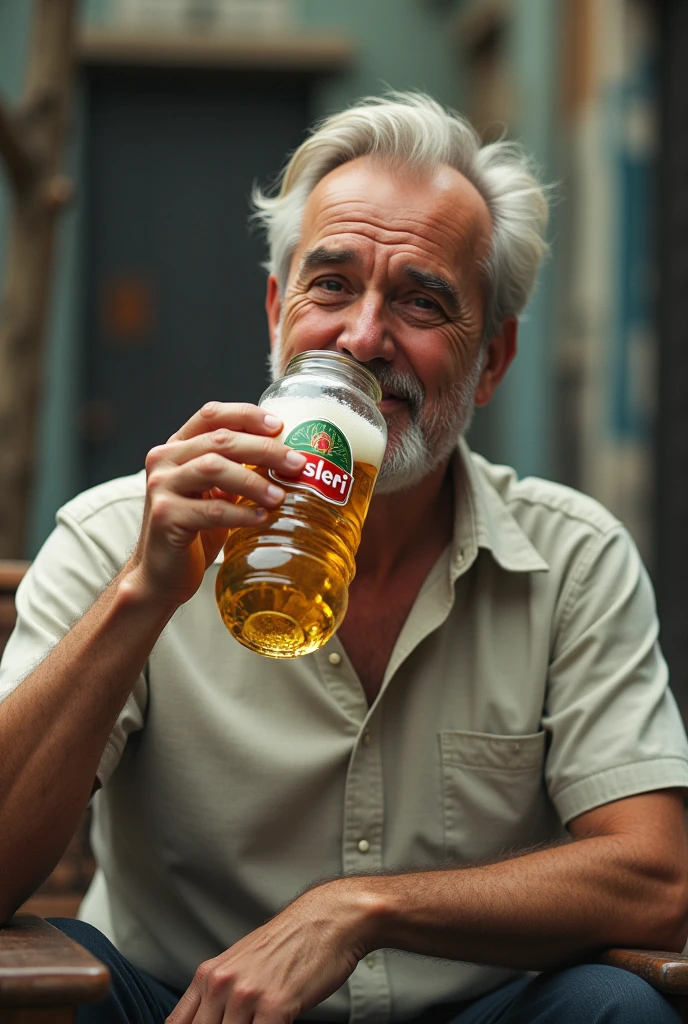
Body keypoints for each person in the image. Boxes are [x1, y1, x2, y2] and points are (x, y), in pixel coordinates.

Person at [1, 92, 688, 1024]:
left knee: (616, 1008)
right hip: (180, 1009)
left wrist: (359, 912)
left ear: (491, 359)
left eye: (422, 301)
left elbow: (656, 877)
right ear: (280, 313)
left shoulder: (573, 557)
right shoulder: (122, 531)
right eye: (331, 285)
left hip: (468, 1014)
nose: (363, 339)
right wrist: (143, 596)